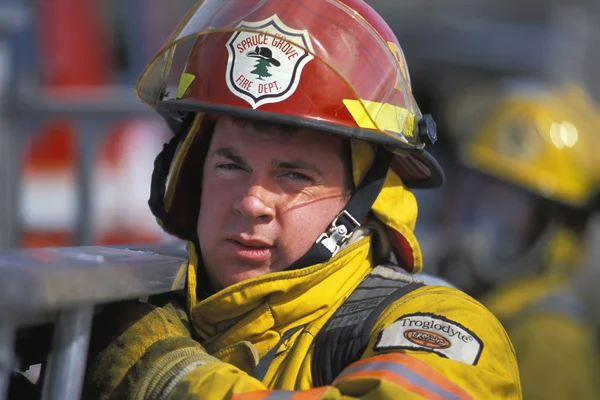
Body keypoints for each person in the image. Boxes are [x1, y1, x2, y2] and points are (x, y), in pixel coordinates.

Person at [82, 0, 521, 398]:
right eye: (230, 166)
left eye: (293, 175)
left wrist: (170, 380)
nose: (252, 202)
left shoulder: (447, 325)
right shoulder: (144, 312)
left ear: (362, 199)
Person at [432, 79, 600, 399]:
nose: (483, 217)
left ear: (562, 228)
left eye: (511, 204)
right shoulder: (481, 307)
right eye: (479, 191)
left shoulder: (549, 339)